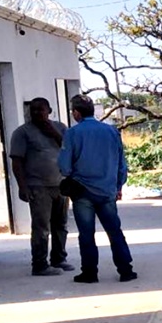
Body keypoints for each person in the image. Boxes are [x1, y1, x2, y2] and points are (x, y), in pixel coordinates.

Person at [58, 95, 137, 283]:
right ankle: (125, 270)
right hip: (107, 191)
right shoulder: (111, 131)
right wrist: (118, 185)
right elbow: (121, 163)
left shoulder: (72, 133)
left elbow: (64, 166)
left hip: (82, 192)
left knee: (86, 234)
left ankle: (90, 272)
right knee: (115, 232)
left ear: (76, 113)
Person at [9, 97, 73, 276]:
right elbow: (17, 161)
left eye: (41, 109)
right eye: (33, 110)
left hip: (60, 184)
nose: (36, 113)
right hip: (38, 186)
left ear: (49, 111)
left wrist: (52, 132)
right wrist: (23, 187)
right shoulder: (22, 132)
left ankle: (59, 259)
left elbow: (69, 150)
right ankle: (39, 264)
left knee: (60, 224)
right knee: (41, 227)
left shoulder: (60, 128)